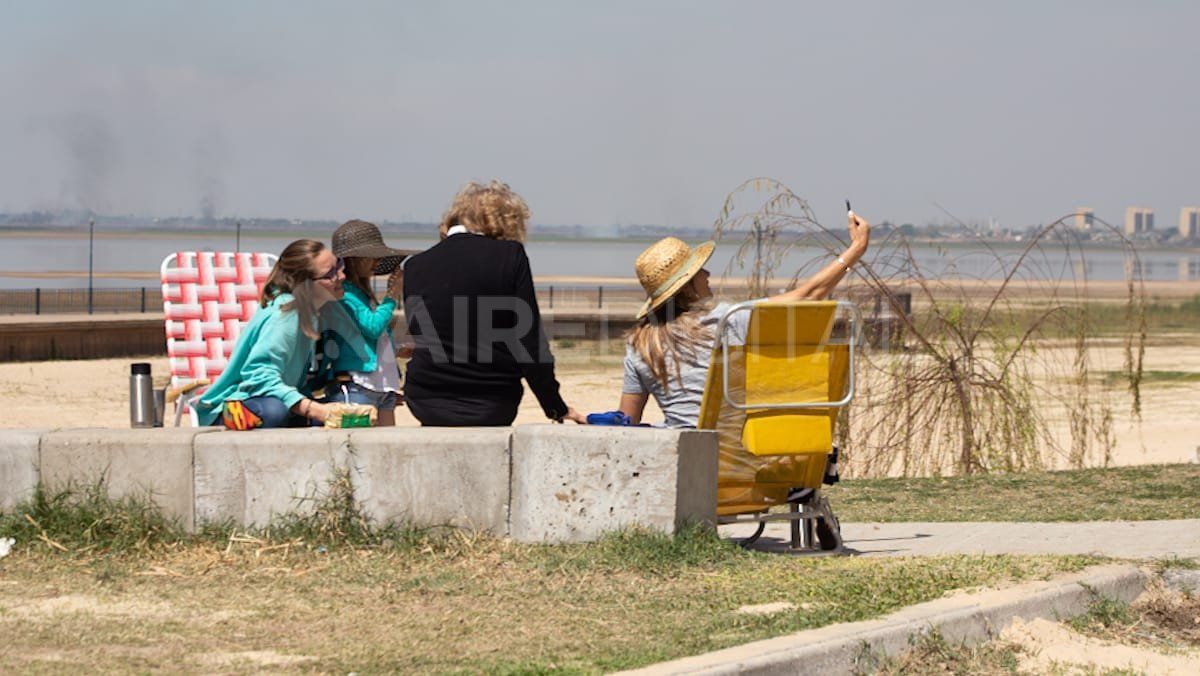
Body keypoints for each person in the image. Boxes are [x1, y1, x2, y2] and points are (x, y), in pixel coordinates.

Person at [618, 211, 871, 428]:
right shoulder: (727, 320)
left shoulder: (638, 346)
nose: (707, 273)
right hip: (735, 457)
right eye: (698, 271)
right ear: (687, 287)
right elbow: (810, 294)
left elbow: (626, 422)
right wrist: (856, 249)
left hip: (679, 459)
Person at [402, 180, 585, 426]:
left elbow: (423, 335)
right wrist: (554, 407)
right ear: (505, 220)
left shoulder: (415, 265)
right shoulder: (510, 256)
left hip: (426, 401)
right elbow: (528, 342)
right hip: (491, 402)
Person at [193, 239, 345, 429]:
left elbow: (294, 381)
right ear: (305, 285)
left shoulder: (309, 314)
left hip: (267, 400)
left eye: (339, 265)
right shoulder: (286, 315)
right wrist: (312, 409)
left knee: (342, 411)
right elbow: (259, 377)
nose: (342, 275)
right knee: (275, 411)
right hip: (232, 407)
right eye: (331, 274)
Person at [318, 219, 415, 427]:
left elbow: (366, 339)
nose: (376, 263)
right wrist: (391, 296)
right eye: (372, 257)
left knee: (387, 447)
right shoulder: (345, 295)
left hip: (382, 383)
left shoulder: (361, 294)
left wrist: (395, 351)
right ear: (355, 260)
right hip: (359, 384)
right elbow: (372, 327)